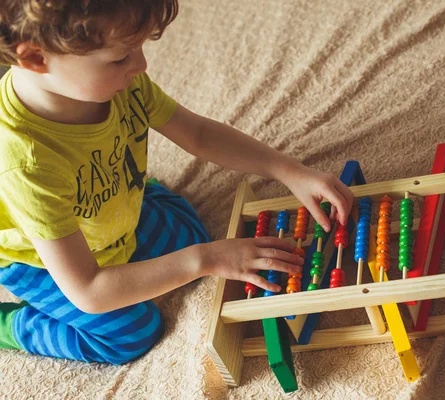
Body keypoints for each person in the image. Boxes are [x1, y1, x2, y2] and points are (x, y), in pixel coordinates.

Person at [0, 0, 354, 364]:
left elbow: (198, 134)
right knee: (131, 334)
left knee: (191, 237)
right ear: (36, 59)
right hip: (45, 261)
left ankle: (142, 194)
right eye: (121, 57)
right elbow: (89, 290)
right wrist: (204, 260)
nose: (141, 65)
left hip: (113, 215)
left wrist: (289, 170)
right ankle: (13, 327)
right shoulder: (24, 164)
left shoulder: (125, 84)